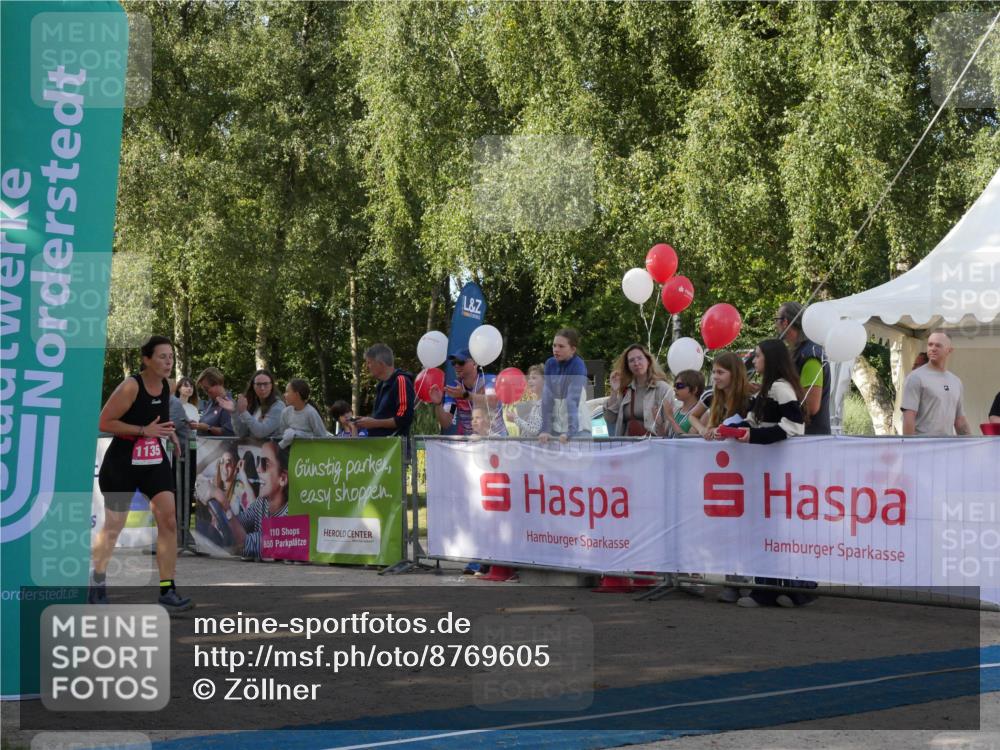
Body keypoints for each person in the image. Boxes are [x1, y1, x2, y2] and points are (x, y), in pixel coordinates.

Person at [92, 335, 192, 612]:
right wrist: (142, 431)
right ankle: (97, 582)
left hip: (152, 459)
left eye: (171, 356)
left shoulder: (168, 386)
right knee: (114, 526)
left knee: (169, 519)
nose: (168, 361)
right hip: (122, 461)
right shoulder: (130, 386)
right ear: (146, 359)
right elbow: (104, 421)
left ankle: (167, 590)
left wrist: (168, 433)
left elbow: (156, 419)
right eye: (162, 356)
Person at [215, 440, 290, 560]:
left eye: (265, 464)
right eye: (259, 461)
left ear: (282, 478)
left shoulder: (290, 514)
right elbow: (241, 522)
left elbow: (245, 544)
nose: (258, 469)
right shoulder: (262, 502)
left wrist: (224, 504)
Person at [901, 331, 971, 436]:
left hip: (946, 448)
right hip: (922, 448)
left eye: (938, 345)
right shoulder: (915, 377)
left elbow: (959, 420)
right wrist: (909, 448)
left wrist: (971, 445)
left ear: (949, 350)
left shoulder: (956, 381)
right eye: (930, 344)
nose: (933, 348)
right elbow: (908, 418)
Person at [776, 302, 830, 435]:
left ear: (785, 322)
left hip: (810, 440)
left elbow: (811, 406)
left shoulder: (810, 355)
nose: (774, 325)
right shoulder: (799, 352)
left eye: (776, 320)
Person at [429, 348, 506, 436]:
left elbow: (492, 401)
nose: (456, 366)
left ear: (474, 363)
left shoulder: (489, 380)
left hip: (497, 440)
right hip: (473, 444)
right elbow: (446, 423)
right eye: (454, 363)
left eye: (461, 362)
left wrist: (465, 395)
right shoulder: (454, 388)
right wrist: (438, 404)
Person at [603, 343, 674, 437]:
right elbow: (610, 419)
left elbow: (670, 426)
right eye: (631, 360)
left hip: (653, 447)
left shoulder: (662, 389)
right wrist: (614, 391)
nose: (636, 363)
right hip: (627, 447)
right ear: (628, 366)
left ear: (648, 361)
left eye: (640, 358)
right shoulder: (625, 390)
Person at [355, 343, 417, 441]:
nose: (367, 366)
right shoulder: (381, 385)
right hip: (381, 449)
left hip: (396, 449)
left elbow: (404, 419)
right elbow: (382, 416)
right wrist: (365, 422)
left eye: (369, 362)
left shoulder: (401, 380)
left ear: (381, 363)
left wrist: (374, 423)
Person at [540, 329, 589, 442]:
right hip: (557, 429)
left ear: (572, 349)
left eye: (561, 346)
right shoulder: (550, 363)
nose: (556, 349)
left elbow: (572, 399)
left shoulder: (578, 365)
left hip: (579, 429)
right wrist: (545, 429)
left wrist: (570, 432)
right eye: (554, 345)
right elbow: (547, 399)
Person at [698, 352, 754, 440]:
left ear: (735, 374)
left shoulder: (750, 400)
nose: (715, 377)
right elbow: (692, 416)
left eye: (720, 372)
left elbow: (751, 429)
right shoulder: (710, 395)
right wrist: (703, 430)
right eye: (713, 372)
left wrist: (724, 431)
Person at [228, 368, 285, 440]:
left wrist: (244, 412)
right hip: (252, 449)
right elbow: (242, 433)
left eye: (266, 384)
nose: (262, 388)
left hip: (272, 450)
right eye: (258, 384)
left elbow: (261, 432)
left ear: (271, 385)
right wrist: (234, 413)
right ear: (253, 386)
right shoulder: (254, 405)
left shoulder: (278, 406)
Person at [278, 378, 329, 448]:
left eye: (287, 392)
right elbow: (282, 434)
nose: (284, 395)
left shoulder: (311, 412)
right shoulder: (285, 412)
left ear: (296, 394)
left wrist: (297, 435)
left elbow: (322, 436)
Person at [192, 367, 234, 437]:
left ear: (217, 384)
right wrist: (197, 424)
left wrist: (208, 428)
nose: (206, 392)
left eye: (206, 389)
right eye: (204, 390)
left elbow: (228, 433)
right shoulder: (210, 402)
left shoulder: (229, 405)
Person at [504, 365, 544, 437]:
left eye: (534, 378)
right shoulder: (536, 403)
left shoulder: (544, 403)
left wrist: (515, 419)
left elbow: (534, 430)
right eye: (529, 378)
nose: (529, 381)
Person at [665, 370, 706, 437]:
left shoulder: (702, 414)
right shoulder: (677, 410)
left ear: (694, 389)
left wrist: (671, 418)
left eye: (679, 385)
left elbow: (688, 441)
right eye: (675, 385)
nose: (675, 389)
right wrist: (658, 422)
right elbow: (665, 436)